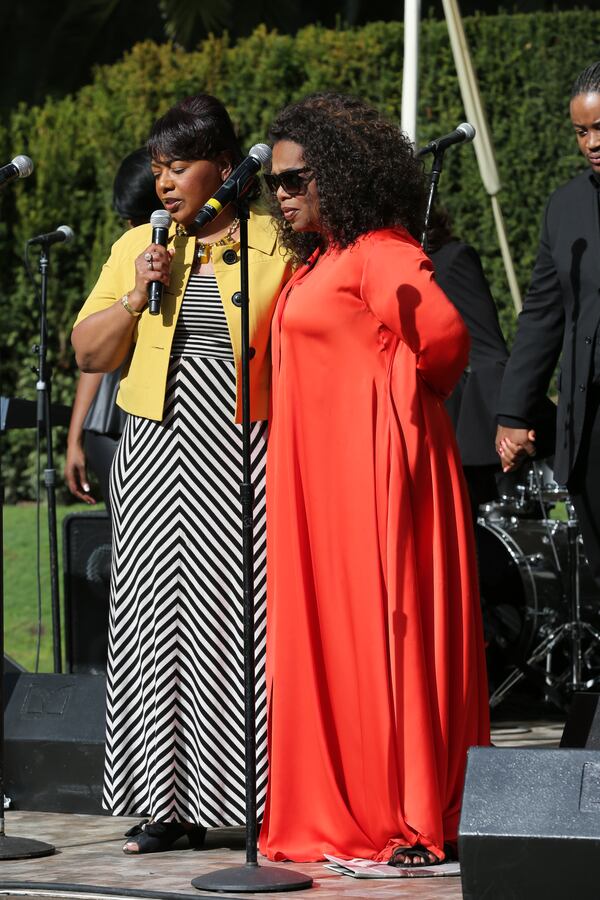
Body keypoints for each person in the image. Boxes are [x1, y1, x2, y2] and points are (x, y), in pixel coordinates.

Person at [259, 93, 490, 867]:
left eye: (295, 180)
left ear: (340, 176)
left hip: (374, 482)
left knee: (384, 631)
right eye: (276, 184)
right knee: (333, 637)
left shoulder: (378, 249)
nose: (282, 195)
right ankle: (345, 801)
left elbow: (446, 336)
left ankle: (408, 809)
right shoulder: (321, 260)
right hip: (317, 485)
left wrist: (395, 411)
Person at [71, 94, 292, 853]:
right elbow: (89, 353)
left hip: (243, 448)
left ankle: (255, 802)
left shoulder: (277, 243)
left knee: (237, 625)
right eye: (158, 168)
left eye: (179, 167)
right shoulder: (140, 242)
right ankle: (164, 807)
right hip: (154, 448)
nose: (164, 182)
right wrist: (137, 291)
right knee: (150, 628)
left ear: (224, 169)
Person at [496, 61, 600, 588]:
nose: (592, 143)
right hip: (589, 426)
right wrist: (515, 411)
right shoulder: (567, 206)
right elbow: (542, 313)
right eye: (582, 131)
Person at [65, 148, 157, 507]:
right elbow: (93, 358)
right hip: (109, 419)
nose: (131, 230)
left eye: (134, 219)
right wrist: (75, 438)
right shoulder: (128, 254)